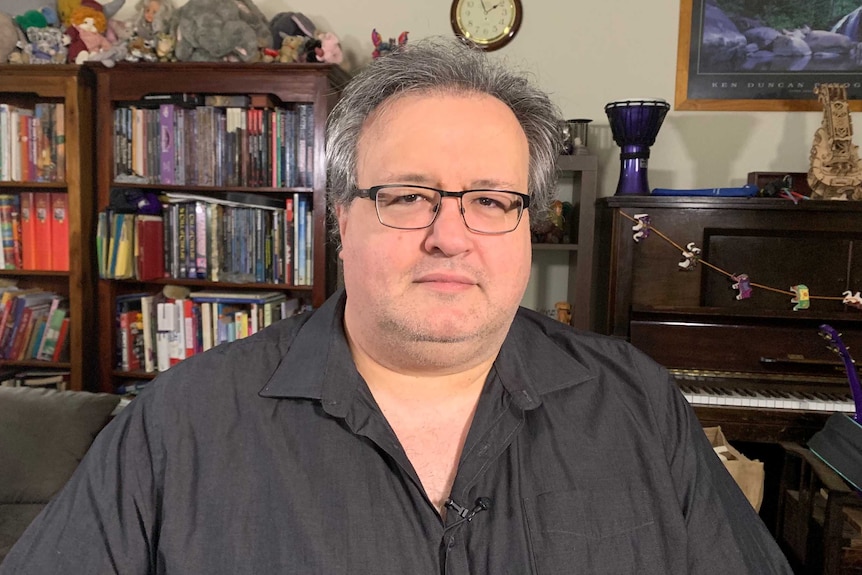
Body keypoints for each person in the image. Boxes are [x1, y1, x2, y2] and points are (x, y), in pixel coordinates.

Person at [1, 37, 792, 574]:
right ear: (342, 217)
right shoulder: (181, 425)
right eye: (409, 195)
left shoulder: (637, 404)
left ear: (527, 224)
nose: (451, 236)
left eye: (490, 199)